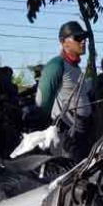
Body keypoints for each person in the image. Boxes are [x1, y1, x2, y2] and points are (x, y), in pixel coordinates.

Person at [36, 21, 93, 161]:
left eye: (84, 38)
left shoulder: (75, 68)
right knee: (66, 174)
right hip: (66, 134)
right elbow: (42, 101)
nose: (83, 42)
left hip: (81, 132)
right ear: (63, 42)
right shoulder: (56, 65)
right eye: (77, 38)